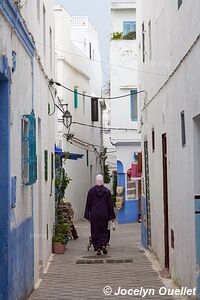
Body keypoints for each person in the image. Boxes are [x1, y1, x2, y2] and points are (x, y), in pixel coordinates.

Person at [84, 174, 116, 255]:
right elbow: (110, 204)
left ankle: (98, 248)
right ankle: (103, 244)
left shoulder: (91, 191)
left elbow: (88, 203)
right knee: (104, 230)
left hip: (94, 215)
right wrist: (111, 216)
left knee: (95, 231)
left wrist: (87, 215)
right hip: (104, 214)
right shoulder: (107, 191)